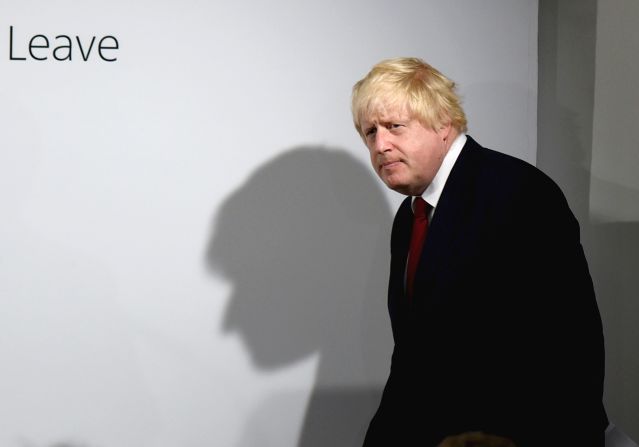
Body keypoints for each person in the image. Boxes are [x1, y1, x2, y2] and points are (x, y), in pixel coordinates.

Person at [351, 57, 608, 447]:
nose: (380, 145)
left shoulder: (518, 192)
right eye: (370, 132)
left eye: (394, 127)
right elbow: (415, 361)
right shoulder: (411, 215)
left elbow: (569, 351)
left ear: (443, 123)